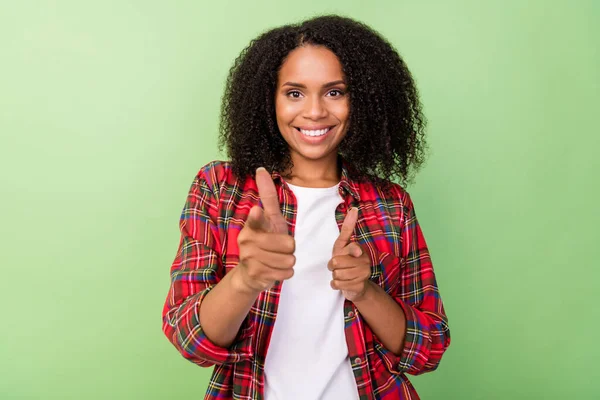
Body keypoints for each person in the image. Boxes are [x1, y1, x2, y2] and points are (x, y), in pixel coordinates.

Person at [162, 15, 450, 400]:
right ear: (270, 100)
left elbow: (428, 348)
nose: (314, 112)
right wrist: (246, 279)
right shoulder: (219, 189)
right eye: (294, 93)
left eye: (335, 92)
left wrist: (364, 291)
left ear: (361, 99)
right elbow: (189, 339)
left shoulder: (391, 205)